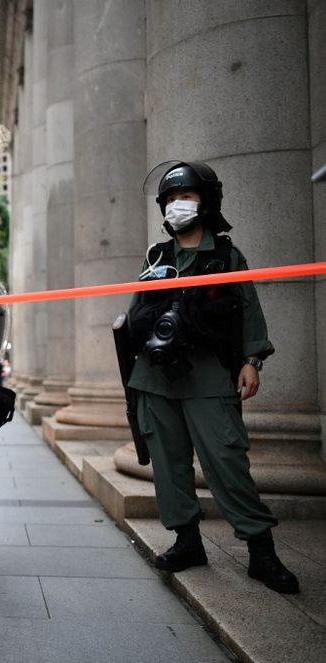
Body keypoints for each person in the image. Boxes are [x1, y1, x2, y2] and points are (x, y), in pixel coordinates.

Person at [127, 160, 299, 594]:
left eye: (185, 197)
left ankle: (261, 552)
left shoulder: (226, 257)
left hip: (208, 376)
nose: (176, 206)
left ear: (206, 203)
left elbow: (248, 312)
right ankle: (187, 542)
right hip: (155, 378)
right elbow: (136, 315)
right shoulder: (156, 257)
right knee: (168, 466)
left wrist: (251, 360)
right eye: (169, 200)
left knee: (226, 463)